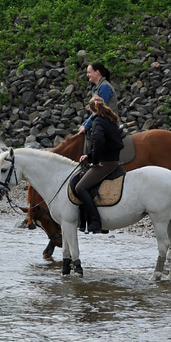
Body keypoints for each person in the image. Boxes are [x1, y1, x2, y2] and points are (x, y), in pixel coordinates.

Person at [73, 96, 124, 234]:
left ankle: (95, 221)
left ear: (90, 110)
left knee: (80, 187)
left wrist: (94, 162)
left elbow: (99, 142)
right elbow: (105, 142)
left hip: (106, 163)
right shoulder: (109, 118)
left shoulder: (98, 122)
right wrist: (88, 156)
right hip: (112, 159)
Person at [78, 62, 117, 136]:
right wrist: (84, 124)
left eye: (89, 72)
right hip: (101, 123)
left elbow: (99, 110)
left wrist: (86, 126)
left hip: (108, 125)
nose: (87, 75)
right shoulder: (96, 87)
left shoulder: (104, 87)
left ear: (97, 72)